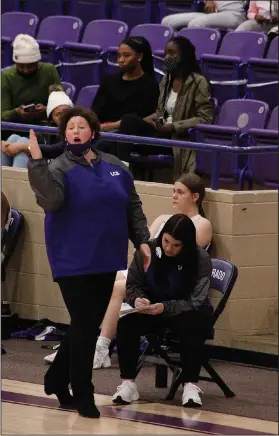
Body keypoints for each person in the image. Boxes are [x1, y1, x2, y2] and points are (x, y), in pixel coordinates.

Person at [27, 106, 151, 419]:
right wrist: (37, 163)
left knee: (86, 325)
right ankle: (83, 390)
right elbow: (50, 201)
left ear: (92, 132)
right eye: (71, 127)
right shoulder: (57, 167)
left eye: (82, 125)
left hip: (107, 256)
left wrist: (143, 240)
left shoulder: (115, 166)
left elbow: (132, 205)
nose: (77, 130)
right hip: (72, 257)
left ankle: (56, 378)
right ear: (65, 135)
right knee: (84, 324)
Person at [44, 173, 213, 368]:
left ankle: (101, 348)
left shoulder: (202, 224)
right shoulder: (163, 218)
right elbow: (145, 246)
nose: (174, 196)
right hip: (146, 269)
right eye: (173, 191)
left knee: (117, 288)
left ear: (195, 197)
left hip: (168, 280)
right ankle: (77, 343)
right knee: (93, 281)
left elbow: (182, 255)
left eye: (180, 192)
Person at [112, 214, 212, 408]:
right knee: (126, 324)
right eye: (166, 241)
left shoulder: (200, 259)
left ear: (187, 244)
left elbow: (196, 301)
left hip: (185, 311)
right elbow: (133, 285)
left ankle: (191, 385)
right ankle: (128, 383)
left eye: (176, 245)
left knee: (194, 323)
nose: (168, 248)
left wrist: (166, 307)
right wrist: (137, 299)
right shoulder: (147, 251)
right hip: (153, 309)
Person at [116, 36, 214, 178]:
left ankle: (122, 174)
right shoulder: (167, 79)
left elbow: (205, 118)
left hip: (178, 140)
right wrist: (147, 121)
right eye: (165, 54)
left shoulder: (198, 82)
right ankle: (121, 171)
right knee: (127, 122)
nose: (167, 57)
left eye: (172, 53)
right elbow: (160, 112)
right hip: (161, 133)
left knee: (128, 126)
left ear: (184, 55)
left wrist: (174, 126)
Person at [92, 36, 159, 133]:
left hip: (126, 134)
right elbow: (96, 110)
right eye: (119, 56)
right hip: (101, 130)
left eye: (126, 55)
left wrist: (108, 127)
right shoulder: (109, 81)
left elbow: (139, 119)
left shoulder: (150, 85)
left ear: (140, 57)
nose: (121, 60)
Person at [2, 34, 61, 134]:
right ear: (15, 63)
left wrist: (46, 109)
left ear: (38, 61)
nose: (26, 70)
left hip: (44, 126)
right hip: (13, 128)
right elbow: (3, 113)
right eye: (21, 66)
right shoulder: (7, 76)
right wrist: (16, 112)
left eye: (31, 66)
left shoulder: (49, 71)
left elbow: (60, 105)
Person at [1, 85, 73, 167]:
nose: (63, 116)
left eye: (66, 111)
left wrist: (24, 147)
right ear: (51, 119)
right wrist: (7, 145)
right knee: (14, 138)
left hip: (56, 175)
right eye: (58, 114)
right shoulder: (46, 131)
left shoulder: (75, 133)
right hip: (45, 170)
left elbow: (56, 150)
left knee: (23, 144)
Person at [161, 1, 246, 30]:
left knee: (196, 24)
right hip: (216, 14)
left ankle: (193, 60)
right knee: (167, 22)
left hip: (236, 14)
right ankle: (174, 59)